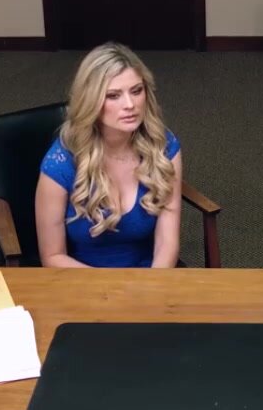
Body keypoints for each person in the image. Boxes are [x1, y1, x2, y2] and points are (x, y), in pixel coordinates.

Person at [35, 42, 183, 268]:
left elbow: (167, 243)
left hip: (149, 277)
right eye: (113, 95)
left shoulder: (163, 146)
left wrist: (153, 284)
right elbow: (53, 257)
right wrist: (112, 288)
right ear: (91, 101)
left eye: (136, 91)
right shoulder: (61, 163)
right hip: (84, 280)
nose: (130, 105)